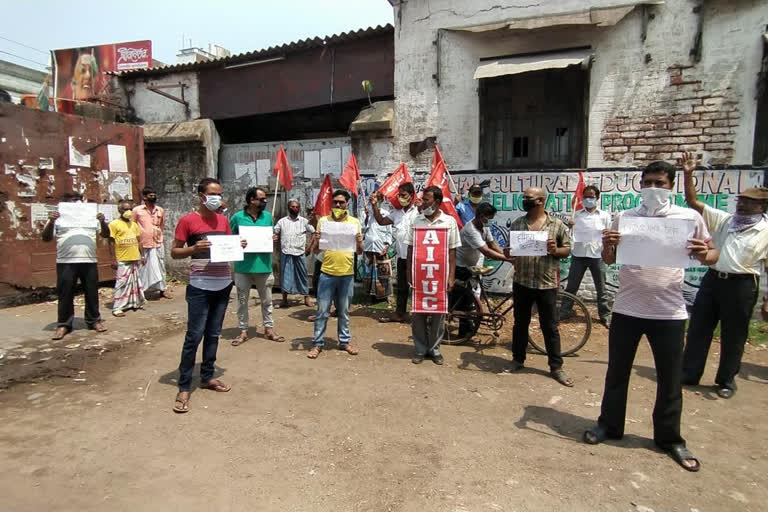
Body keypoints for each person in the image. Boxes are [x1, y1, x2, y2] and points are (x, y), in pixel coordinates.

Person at [583, 160, 719, 472]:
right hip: (627, 308)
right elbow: (609, 258)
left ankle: (669, 438)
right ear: (640, 186)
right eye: (647, 183)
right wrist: (608, 246)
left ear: (671, 186)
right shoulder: (626, 217)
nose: (653, 189)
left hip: (669, 312)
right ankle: (609, 425)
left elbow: (713, 255)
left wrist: (703, 254)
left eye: (660, 183)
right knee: (617, 372)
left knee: (670, 378)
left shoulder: (688, 218)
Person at [680, 152, 768, 399]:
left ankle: (726, 380)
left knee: (734, 334)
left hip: (742, 286)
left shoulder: (765, 230)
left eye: (748, 202)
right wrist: (688, 174)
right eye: (740, 200)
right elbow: (693, 203)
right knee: (698, 328)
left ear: (761, 207)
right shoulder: (726, 220)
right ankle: (689, 373)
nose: (741, 204)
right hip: (712, 281)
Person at [171, 178, 247, 413]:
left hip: (223, 283)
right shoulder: (187, 221)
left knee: (213, 333)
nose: (217, 197)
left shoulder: (223, 220)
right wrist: (193, 249)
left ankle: (207, 376)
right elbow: (174, 252)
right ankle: (184, 386)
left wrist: (238, 244)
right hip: (200, 285)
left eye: (220, 193)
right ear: (201, 196)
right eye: (212, 193)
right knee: (194, 335)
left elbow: (226, 246)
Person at [505, 187, 574, 387]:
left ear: (541, 200)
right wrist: (508, 251)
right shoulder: (518, 223)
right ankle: (518, 359)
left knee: (550, 326)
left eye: (529, 198)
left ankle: (556, 367)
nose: (525, 200)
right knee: (520, 324)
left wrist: (555, 250)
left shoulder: (557, 225)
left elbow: (567, 250)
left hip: (546, 284)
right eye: (524, 197)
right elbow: (511, 252)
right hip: (522, 282)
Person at [405, 186, 461, 365]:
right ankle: (420, 349)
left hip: (439, 275)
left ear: (437, 202)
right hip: (419, 276)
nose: (422, 202)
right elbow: (410, 249)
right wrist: (409, 273)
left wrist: (451, 276)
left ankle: (435, 349)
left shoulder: (449, 222)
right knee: (418, 313)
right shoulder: (416, 220)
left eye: (427, 200)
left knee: (439, 312)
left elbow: (452, 252)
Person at [42, 192, 109, 340]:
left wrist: (103, 221)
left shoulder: (90, 217)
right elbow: (46, 238)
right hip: (66, 261)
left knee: (91, 292)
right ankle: (64, 324)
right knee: (65, 293)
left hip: (89, 260)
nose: (78, 205)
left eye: (80, 201)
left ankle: (94, 321)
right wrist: (52, 221)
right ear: (65, 204)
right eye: (73, 202)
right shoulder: (58, 218)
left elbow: (106, 234)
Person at [308, 190, 362, 359]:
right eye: (335, 203)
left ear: (347, 204)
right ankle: (317, 343)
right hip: (327, 273)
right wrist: (316, 240)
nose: (338, 205)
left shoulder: (354, 223)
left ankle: (344, 341)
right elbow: (317, 250)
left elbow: (359, 252)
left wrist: (359, 242)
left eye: (341, 202)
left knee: (344, 311)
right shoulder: (323, 222)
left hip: (347, 274)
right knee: (322, 311)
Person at [229, 187, 283, 346]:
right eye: (261, 199)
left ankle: (269, 329)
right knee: (242, 300)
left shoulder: (268, 217)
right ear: (251, 200)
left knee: (267, 301)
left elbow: (271, 236)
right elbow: (229, 239)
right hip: (242, 267)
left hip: (264, 266)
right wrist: (237, 242)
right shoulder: (237, 217)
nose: (265, 202)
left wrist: (273, 238)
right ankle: (243, 330)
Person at [452, 202, 513, 338]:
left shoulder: (484, 228)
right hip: (462, 267)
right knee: (466, 303)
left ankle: (470, 328)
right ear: (480, 216)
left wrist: (507, 255)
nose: (489, 221)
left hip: (473, 266)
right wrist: (508, 260)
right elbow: (487, 252)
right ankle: (464, 334)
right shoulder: (470, 230)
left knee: (472, 299)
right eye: (487, 218)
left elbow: (493, 244)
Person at [560, 185, 613, 328]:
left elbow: (609, 234)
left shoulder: (604, 216)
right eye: (586, 197)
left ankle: (605, 315)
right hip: (579, 255)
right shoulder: (576, 215)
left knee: (601, 288)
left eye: (591, 196)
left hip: (597, 255)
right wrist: (569, 226)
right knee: (572, 286)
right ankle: (565, 311)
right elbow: (567, 234)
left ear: (597, 198)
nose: (588, 199)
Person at [370, 182, 419, 323]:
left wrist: (421, 208)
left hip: (416, 258)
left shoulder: (418, 212)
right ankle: (400, 313)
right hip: (402, 257)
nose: (400, 198)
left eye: (403, 195)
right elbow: (380, 221)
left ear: (411, 196)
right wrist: (374, 205)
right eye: (399, 195)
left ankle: (419, 315)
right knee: (402, 287)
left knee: (417, 287)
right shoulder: (397, 213)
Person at [132, 186, 171, 299]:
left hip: (158, 242)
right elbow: (133, 226)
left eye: (154, 194)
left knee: (161, 266)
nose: (153, 197)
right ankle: (140, 291)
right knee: (142, 267)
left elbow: (161, 225)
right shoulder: (137, 210)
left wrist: (159, 235)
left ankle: (163, 290)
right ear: (144, 197)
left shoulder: (160, 210)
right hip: (143, 244)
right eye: (150, 195)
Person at [274, 199, 314, 309]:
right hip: (286, 252)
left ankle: (306, 298)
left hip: (300, 252)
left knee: (303, 275)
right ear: (288, 208)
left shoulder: (304, 221)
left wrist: (309, 247)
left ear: (299, 208)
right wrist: (275, 237)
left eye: (297, 207)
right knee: (285, 276)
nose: (294, 208)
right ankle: (285, 300)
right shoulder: (282, 221)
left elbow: (314, 232)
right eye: (292, 206)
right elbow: (275, 233)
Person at [109, 200, 146, 317]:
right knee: (121, 283)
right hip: (122, 258)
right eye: (125, 209)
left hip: (134, 257)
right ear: (120, 211)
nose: (128, 211)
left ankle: (132, 303)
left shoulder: (134, 225)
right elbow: (111, 242)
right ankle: (117, 307)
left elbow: (139, 241)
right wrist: (112, 259)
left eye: (130, 209)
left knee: (134, 282)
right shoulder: (114, 224)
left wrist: (143, 255)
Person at [361, 193, 394, 304]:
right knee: (368, 273)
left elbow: (389, 233)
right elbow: (361, 229)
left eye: (376, 199)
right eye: (371, 199)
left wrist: (387, 246)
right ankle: (369, 296)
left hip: (381, 246)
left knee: (384, 272)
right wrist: (366, 217)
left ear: (380, 200)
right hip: (368, 246)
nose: (373, 201)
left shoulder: (386, 214)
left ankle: (387, 295)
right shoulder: (365, 213)